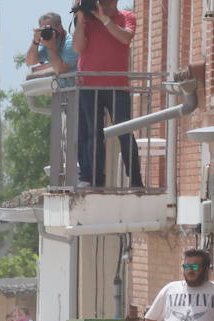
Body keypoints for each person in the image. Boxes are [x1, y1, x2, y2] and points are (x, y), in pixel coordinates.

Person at [73, 0, 141, 188]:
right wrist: (80, 18)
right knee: (92, 134)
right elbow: (78, 47)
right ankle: (94, 180)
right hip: (89, 86)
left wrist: (103, 18)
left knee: (125, 133)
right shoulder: (87, 20)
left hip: (117, 86)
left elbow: (125, 38)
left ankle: (135, 180)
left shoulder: (127, 16)